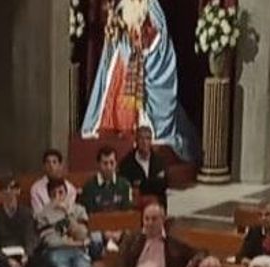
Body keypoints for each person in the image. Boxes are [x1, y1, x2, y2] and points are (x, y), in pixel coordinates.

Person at [79, 0, 198, 159]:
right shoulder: (122, 6)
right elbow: (116, 30)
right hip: (124, 55)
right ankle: (119, 124)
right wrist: (115, 29)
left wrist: (145, 43)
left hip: (141, 55)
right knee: (116, 85)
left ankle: (141, 125)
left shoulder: (150, 5)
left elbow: (159, 33)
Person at [119, 124, 170, 205]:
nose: (145, 142)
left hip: (158, 206)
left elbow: (164, 184)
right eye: (141, 138)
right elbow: (126, 187)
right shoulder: (126, 163)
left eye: (148, 138)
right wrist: (153, 184)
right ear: (136, 141)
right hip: (136, 206)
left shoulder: (159, 161)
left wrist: (141, 184)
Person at [80, 145, 135, 213]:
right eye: (105, 163)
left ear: (116, 163)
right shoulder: (89, 186)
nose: (109, 167)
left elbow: (127, 212)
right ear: (98, 164)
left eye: (112, 163)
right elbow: (89, 213)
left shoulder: (125, 185)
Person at [29, 148, 78, 215]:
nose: (51, 165)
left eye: (54, 162)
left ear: (60, 165)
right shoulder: (36, 189)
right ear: (44, 166)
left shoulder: (71, 189)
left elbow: (70, 211)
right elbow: (38, 214)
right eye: (48, 162)